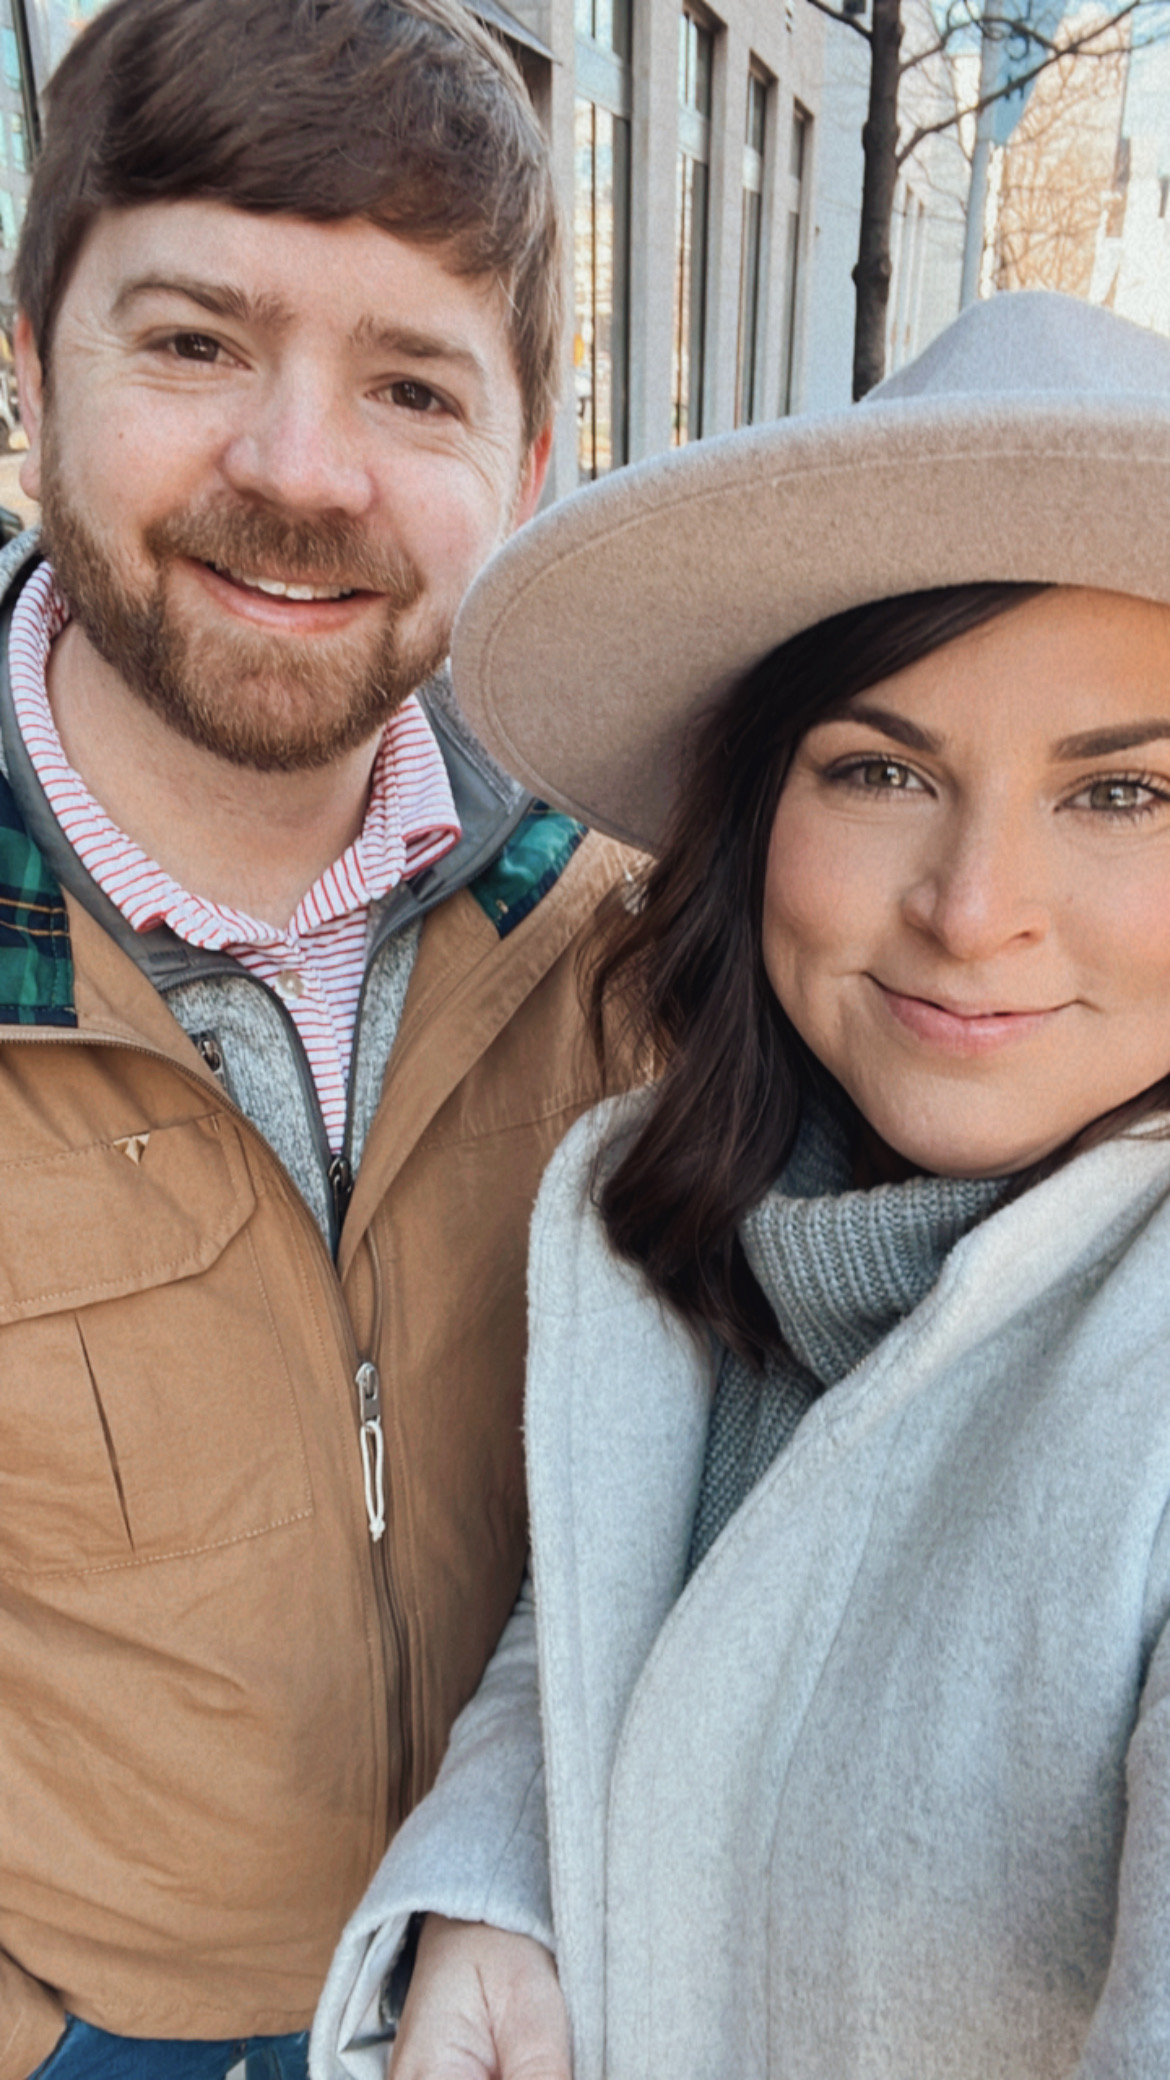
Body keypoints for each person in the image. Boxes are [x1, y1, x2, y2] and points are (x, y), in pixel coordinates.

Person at [314, 288, 1170, 2080]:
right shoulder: (681, 1205)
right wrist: (505, 1880)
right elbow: (633, 1601)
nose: (970, 905)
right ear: (752, 805)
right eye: (879, 769)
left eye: (1123, 797)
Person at [0, 3, 632, 2076]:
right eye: (193, 343)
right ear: (29, 373)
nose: (297, 467)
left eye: (411, 384)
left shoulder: (651, 935)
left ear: (527, 467)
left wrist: (530, 1862)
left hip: (531, 1997)